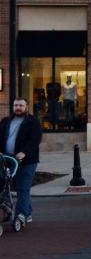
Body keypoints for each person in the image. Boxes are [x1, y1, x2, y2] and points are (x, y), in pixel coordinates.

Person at [1, 97, 43, 228]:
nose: (17, 108)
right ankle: (27, 211)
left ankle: (21, 216)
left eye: (20, 105)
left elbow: (35, 140)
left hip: (27, 161)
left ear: (26, 107)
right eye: (15, 105)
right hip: (7, 160)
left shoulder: (32, 122)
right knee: (9, 188)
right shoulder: (6, 121)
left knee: (22, 188)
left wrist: (24, 152)